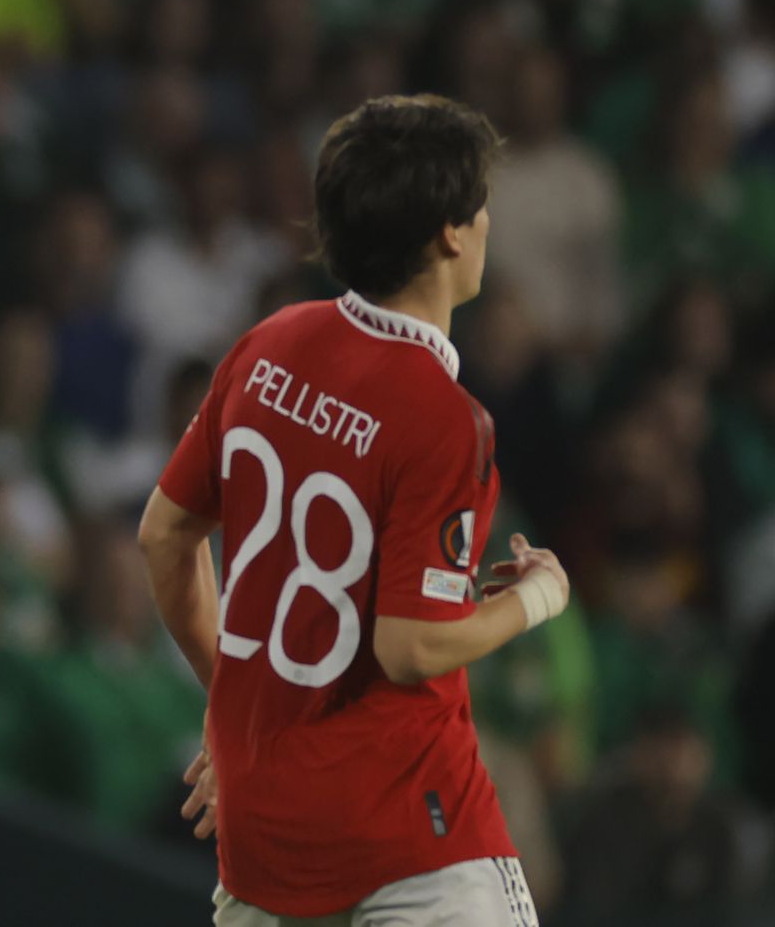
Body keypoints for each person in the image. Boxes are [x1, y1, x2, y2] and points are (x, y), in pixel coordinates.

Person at [138, 95, 571, 926]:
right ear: (450, 233)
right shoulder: (446, 420)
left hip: (266, 832)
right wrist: (535, 597)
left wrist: (240, 708)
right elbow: (411, 646)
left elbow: (164, 535)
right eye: (480, 206)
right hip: (412, 833)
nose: (487, 223)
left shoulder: (267, 345)